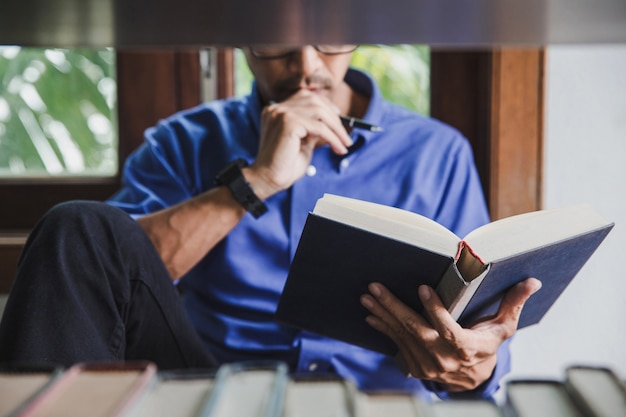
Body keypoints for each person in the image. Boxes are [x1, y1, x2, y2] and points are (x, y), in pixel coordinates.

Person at [0, 45, 541, 400]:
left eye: (328, 36)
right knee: (76, 227)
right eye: (275, 43)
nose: (306, 65)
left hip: (373, 403)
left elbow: (478, 349)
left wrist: (475, 366)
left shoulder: (437, 153)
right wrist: (255, 180)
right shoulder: (181, 141)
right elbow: (104, 275)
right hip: (209, 390)